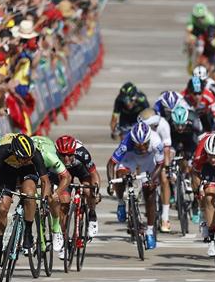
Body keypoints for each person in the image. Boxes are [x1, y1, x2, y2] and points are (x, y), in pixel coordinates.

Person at [0, 133, 52, 270]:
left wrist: (45, 199)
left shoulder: (34, 153)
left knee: (30, 194)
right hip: (7, 171)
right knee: (2, 208)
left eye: (28, 158)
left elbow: (45, 181)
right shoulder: (4, 150)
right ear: (15, 152)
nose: (25, 159)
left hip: (27, 172)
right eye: (23, 158)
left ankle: (28, 231)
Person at [107, 122, 164, 250]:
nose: (142, 147)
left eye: (145, 144)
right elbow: (111, 164)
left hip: (149, 161)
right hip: (130, 157)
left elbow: (161, 164)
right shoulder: (126, 143)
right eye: (138, 145)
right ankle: (121, 202)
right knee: (121, 176)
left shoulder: (156, 141)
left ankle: (149, 231)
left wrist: (152, 180)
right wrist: (111, 183)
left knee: (150, 192)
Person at [53, 135, 102, 254]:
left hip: (80, 169)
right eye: (62, 155)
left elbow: (94, 174)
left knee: (88, 190)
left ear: (74, 152)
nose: (66, 159)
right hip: (62, 173)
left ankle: (92, 215)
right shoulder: (53, 155)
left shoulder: (82, 153)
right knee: (64, 202)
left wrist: (96, 191)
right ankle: (64, 238)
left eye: (69, 155)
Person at [30, 135, 72, 257]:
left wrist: (56, 193)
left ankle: (56, 228)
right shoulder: (24, 156)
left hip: (48, 166)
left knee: (52, 196)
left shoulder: (50, 157)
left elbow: (67, 177)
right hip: (31, 164)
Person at [139, 108, 174, 232]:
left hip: (164, 150)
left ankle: (165, 217)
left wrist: (167, 166)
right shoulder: (141, 128)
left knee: (164, 177)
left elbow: (166, 149)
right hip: (149, 152)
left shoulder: (163, 125)